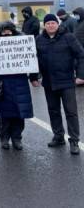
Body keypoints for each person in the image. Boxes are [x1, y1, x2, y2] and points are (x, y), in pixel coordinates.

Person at [31, 14, 84, 155]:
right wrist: (33, 77)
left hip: (67, 82)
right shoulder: (39, 40)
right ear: (45, 25)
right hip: (49, 83)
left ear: (58, 24)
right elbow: (32, 59)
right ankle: (59, 136)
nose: (50, 25)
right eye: (48, 23)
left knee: (71, 113)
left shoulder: (68, 37)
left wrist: (80, 75)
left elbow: (81, 55)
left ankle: (74, 141)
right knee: (53, 111)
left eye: (53, 23)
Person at [0, 22, 34, 150]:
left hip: (19, 82)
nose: (6, 33)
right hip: (2, 83)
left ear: (13, 30)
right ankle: (4, 138)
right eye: (3, 31)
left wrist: (34, 77)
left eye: (8, 30)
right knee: (4, 114)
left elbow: (32, 59)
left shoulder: (23, 41)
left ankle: (17, 138)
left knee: (19, 113)